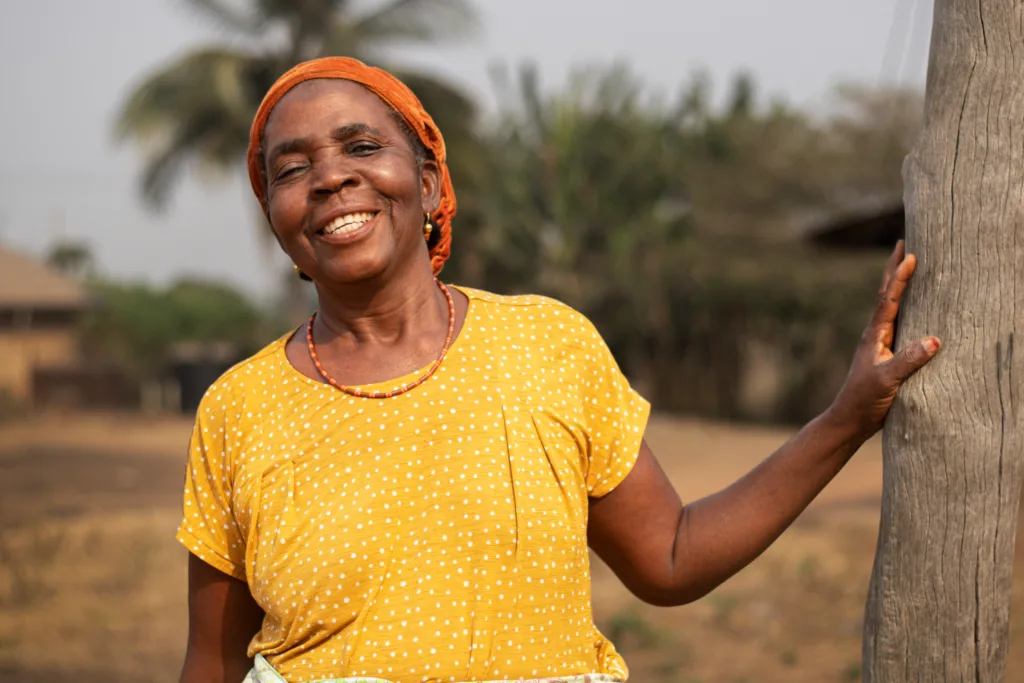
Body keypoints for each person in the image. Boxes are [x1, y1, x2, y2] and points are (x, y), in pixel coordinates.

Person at [176, 57, 940, 683]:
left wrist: (844, 418)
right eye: (291, 167)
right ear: (275, 215)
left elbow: (670, 558)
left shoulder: (547, 344)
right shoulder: (239, 407)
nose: (332, 177)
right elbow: (211, 661)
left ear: (434, 184)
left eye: (363, 147)